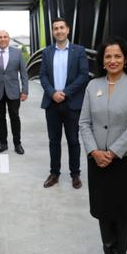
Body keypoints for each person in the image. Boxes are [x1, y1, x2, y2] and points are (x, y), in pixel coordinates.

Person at [79, 38, 127, 254]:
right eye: (108, 56)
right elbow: (84, 123)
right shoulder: (92, 85)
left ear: (125, 59)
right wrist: (94, 152)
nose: (113, 60)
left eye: (117, 56)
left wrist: (113, 152)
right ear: (102, 61)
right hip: (96, 159)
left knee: (122, 211)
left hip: (124, 159)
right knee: (103, 209)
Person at [39, 17, 89, 189]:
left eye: (61, 27)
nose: (58, 31)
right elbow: (43, 76)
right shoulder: (46, 52)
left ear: (68, 30)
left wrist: (65, 93)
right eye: (55, 28)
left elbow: (84, 75)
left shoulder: (79, 51)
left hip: (72, 103)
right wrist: (52, 93)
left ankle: (75, 174)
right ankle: (54, 173)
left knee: (73, 140)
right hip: (52, 103)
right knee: (54, 141)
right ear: (53, 32)